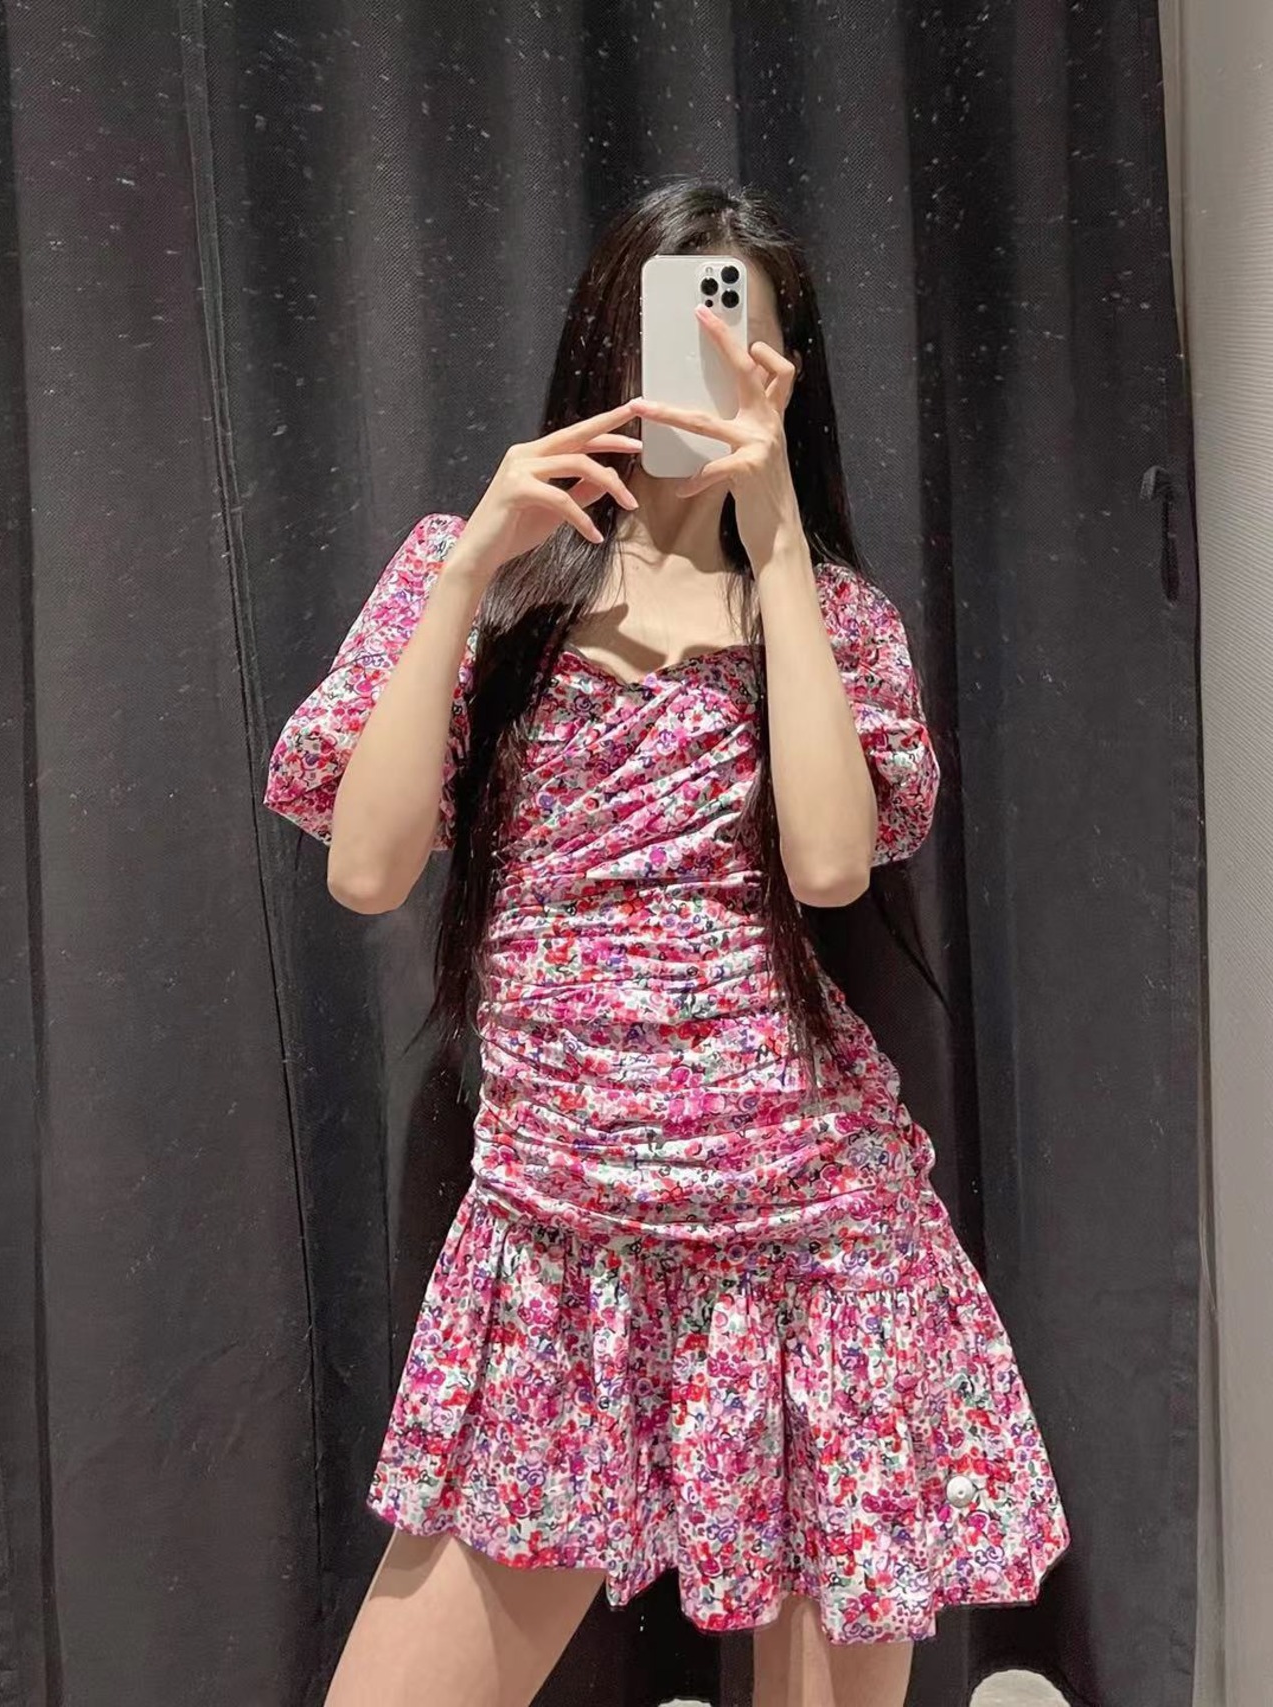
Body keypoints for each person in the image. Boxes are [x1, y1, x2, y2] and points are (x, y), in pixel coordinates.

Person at [264, 179, 1070, 1707]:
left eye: (740, 343)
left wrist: (779, 550)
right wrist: (468, 566)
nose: (699, 375)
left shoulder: (831, 615)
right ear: (607, 339)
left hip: (811, 1236)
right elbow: (365, 871)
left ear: (788, 375)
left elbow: (831, 863)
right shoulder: (477, 574)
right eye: (673, 328)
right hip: (563, 1228)